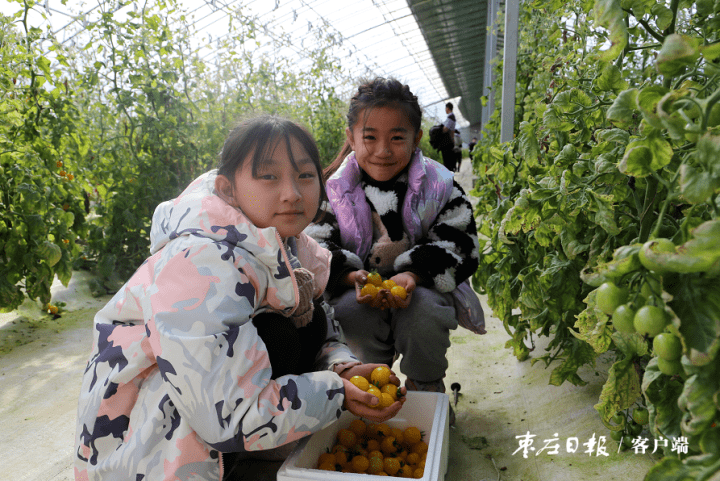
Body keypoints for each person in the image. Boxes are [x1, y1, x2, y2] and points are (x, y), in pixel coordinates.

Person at [74, 114, 406, 481]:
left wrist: (339, 367)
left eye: (305, 175)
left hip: (220, 424)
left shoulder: (289, 245)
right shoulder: (197, 264)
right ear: (228, 189)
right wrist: (336, 394)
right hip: (153, 452)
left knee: (293, 323)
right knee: (275, 335)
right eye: (268, 176)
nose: (292, 193)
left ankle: (258, 455)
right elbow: (226, 414)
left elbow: (320, 324)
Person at [305, 78, 481, 425]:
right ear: (351, 137)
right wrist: (351, 275)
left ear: (416, 139)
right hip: (355, 290)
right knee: (350, 313)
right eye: (369, 137)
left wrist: (413, 275)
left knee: (424, 311)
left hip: (423, 288)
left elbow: (460, 243)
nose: (383, 150)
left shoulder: (440, 184)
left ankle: (425, 387)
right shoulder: (333, 189)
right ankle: (370, 388)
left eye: (397, 137)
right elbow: (314, 246)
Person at [440, 102, 457, 171]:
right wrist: (453, 140)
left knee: (447, 162)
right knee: (449, 161)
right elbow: (452, 131)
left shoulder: (450, 117)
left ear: (447, 108)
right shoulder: (453, 117)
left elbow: (445, 129)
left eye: (445, 108)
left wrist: (441, 129)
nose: (445, 110)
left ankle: (448, 177)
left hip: (447, 143)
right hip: (450, 142)